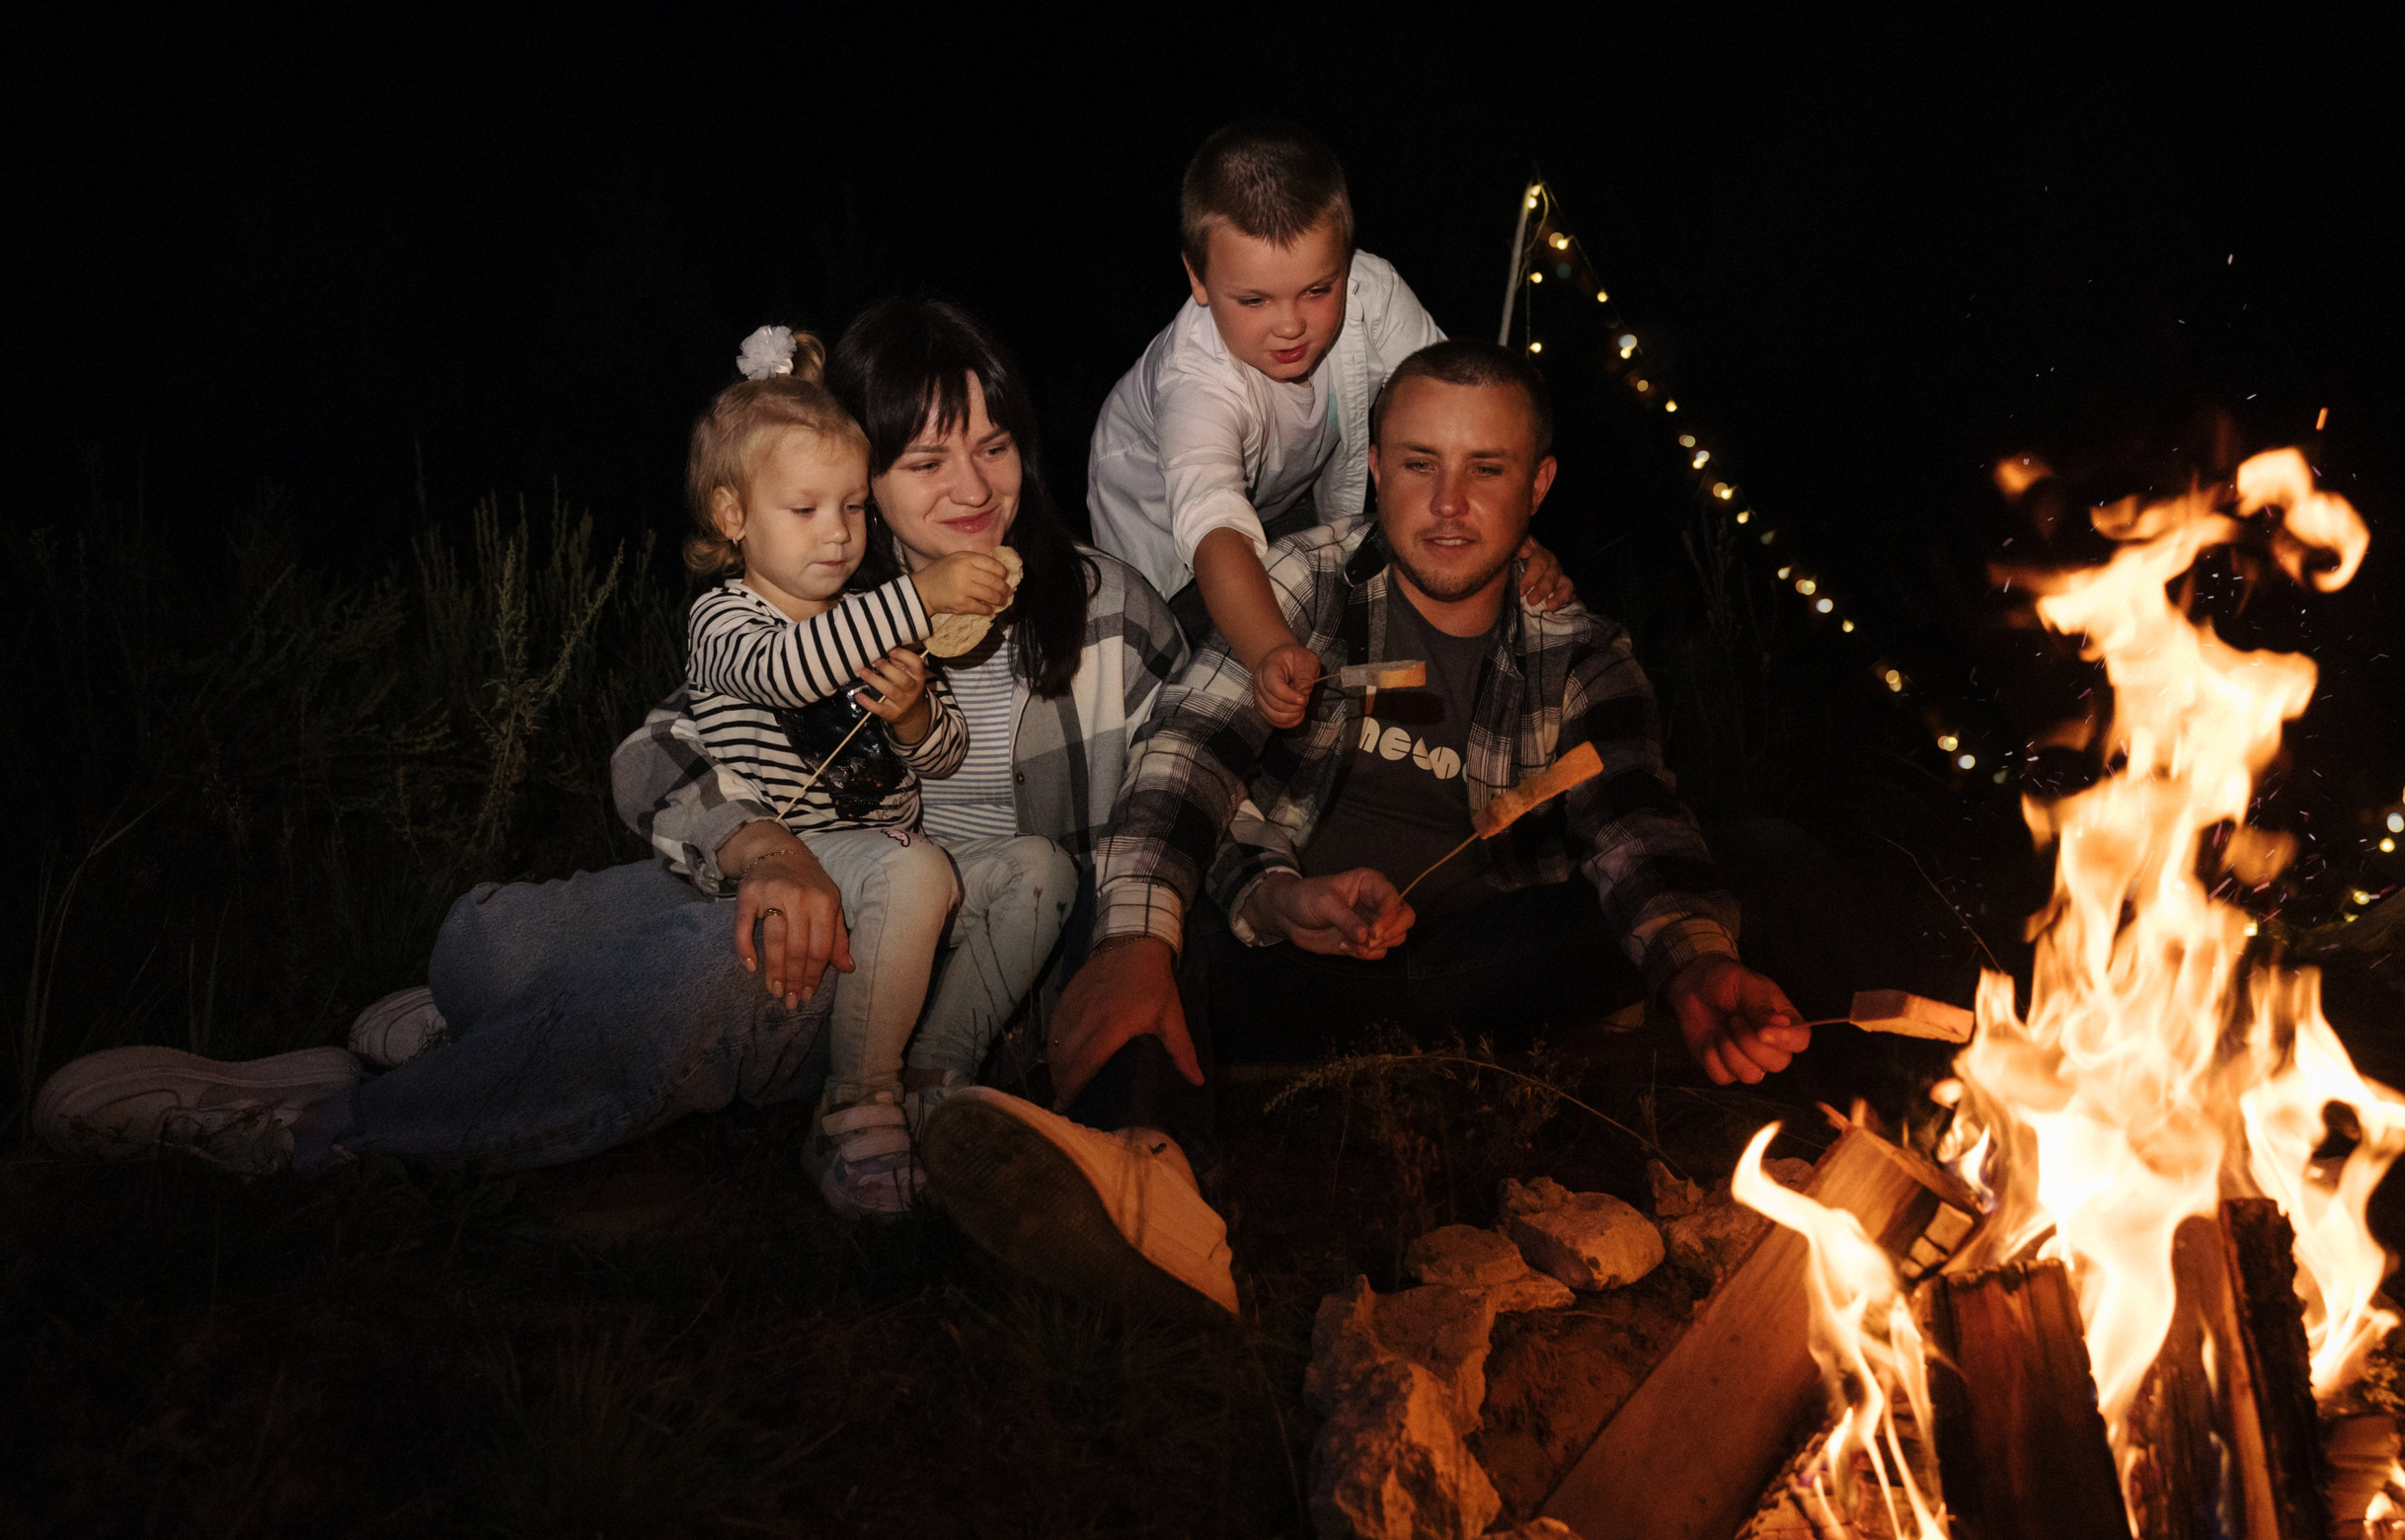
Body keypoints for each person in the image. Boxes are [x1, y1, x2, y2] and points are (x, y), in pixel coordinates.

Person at [35, 302, 1186, 1203]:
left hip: (895, 955)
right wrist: (756, 840)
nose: (975, 487)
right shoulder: (839, 593)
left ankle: (321, 1135)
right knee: (487, 938)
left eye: (994, 446)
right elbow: (659, 745)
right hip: (801, 877)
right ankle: (478, 1023)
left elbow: (1170, 807)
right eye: (927, 462)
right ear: (866, 480)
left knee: (697, 976)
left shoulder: (1104, 612)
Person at [919, 340, 1817, 1322]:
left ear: (1539, 485)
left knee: (1761, 857)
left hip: (1482, 962)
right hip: (1291, 961)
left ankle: (1850, 1146)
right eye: (1420, 463)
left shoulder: (1582, 651)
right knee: (1139, 895)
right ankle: (1142, 1177)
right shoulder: (1303, 583)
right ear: (1378, 468)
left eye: (1487, 469)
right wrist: (1243, 903)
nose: (1448, 503)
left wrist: (1689, 963)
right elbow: (1189, 753)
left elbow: (1632, 818)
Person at [1086, 120, 1571, 732]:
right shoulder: (1195, 381)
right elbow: (1212, 526)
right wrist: (1268, 652)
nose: (1290, 326)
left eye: (1317, 289)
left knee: (1332, 631)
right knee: (1215, 682)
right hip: (1170, 544)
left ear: (1346, 261)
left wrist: (1517, 542)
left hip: (1281, 496)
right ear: (1198, 279)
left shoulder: (1375, 291)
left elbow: (1457, 415)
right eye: (1255, 301)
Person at [679, 324, 1010, 1215]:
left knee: (1038, 871)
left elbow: (941, 756)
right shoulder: (724, 621)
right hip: (808, 860)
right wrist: (921, 596)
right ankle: (853, 1105)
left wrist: (911, 716)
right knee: (915, 867)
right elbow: (793, 670)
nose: (838, 535)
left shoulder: (866, 612)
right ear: (732, 516)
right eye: (805, 509)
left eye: (854, 508)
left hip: (885, 849)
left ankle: (935, 1075)